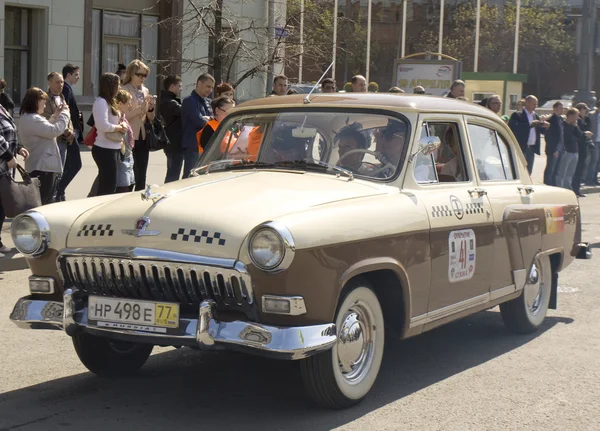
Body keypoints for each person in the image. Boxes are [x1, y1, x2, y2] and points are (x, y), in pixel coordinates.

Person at [18, 87, 70, 204]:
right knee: (43, 202)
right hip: (43, 168)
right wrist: (65, 114)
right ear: (36, 102)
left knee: (42, 201)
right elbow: (54, 131)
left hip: (40, 166)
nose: (45, 106)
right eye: (44, 102)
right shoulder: (33, 119)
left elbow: (45, 131)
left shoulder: (28, 118)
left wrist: (56, 115)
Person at [91, 73, 128, 196]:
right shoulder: (101, 102)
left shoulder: (110, 102)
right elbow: (103, 125)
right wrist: (119, 127)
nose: (120, 88)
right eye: (118, 85)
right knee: (107, 188)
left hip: (113, 148)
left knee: (109, 185)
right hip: (104, 149)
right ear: (110, 86)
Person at [122, 59, 156, 191]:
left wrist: (151, 108)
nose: (142, 78)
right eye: (139, 75)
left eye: (145, 75)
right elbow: (123, 115)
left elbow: (150, 117)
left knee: (142, 173)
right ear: (131, 73)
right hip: (129, 135)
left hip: (143, 134)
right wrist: (140, 109)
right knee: (129, 173)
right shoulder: (124, 90)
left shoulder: (145, 90)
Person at [0, 102, 29, 257]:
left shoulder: (2, 108)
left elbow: (8, 132)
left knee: (2, 205)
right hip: (3, 162)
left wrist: (18, 148)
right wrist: (8, 155)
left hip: (5, 165)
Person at [56, 63, 83, 201]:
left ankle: (59, 192)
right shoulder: (66, 88)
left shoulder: (68, 88)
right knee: (76, 164)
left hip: (71, 132)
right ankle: (58, 190)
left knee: (68, 164)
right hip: (69, 134)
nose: (78, 77)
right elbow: (65, 111)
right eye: (76, 74)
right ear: (69, 75)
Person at [181, 73, 215, 178]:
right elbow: (199, 121)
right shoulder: (189, 101)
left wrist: (208, 119)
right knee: (190, 176)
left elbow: (213, 121)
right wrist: (209, 120)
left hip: (206, 145)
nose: (210, 90)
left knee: (203, 177)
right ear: (199, 83)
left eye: (212, 87)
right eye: (208, 86)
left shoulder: (208, 102)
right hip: (193, 146)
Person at [43, 72, 75, 175]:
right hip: (53, 141)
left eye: (62, 82)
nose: (60, 84)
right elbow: (48, 118)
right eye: (57, 82)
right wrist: (66, 131)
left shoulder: (62, 98)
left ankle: (59, 191)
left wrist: (70, 131)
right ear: (49, 83)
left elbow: (67, 117)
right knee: (53, 173)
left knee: (60, 173)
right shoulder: (45, 99)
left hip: (63, 141)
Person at [508, 95, 549, 175]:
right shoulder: (517, 115)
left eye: (536, 104)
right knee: (519, 171)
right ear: (526, 103)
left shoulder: (535, 115)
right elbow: (515, 127)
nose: (535, 106)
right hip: (521, 147)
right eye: (533, 104)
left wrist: (545, 126)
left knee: (528, 172)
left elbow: (539, 131)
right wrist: (530, 125)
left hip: (531, 148)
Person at [555, 108, 590, 190]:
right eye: (576, 116)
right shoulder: (563, 125)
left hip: (575, 151)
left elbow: (580, 136)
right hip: (566, 152)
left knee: (570, 174)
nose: (577, 118)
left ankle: (568, 190)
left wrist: (576, 127)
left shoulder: (574, 125)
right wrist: (575, 138)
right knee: (562, 173)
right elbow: (568, 138)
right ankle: (560, 189)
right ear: (570, 115)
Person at [161, 75, 184, 183]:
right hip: (174, 142)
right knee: (173, 173)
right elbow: (183, 112)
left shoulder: (171, 100)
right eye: (179, 86)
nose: (181, 89)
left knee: (174, 172)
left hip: (174, 142)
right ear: (171, 86)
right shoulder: (169, 102)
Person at [114, 89, 136, 193]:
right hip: (121, 157)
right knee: (122, 188)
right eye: (128, 103)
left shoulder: (123, 117)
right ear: (120, 104)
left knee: (130, 185)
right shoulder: (116, 117)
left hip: (128, 155)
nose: (130, 106)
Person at [572, 103, 592, 197]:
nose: (586, 111)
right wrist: (585, 133)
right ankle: (574, 189)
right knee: (576, 169)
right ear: (579, 110)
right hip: (578, 147)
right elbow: (578, 133)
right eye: (584, 109)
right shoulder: (577, 120)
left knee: (581, 168)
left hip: (584, 147)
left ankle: (577, 188)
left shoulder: (586, 119)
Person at [544, 101, 564, 186]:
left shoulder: (561, 119)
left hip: (560, 148)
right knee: (550, 169)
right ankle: (547, 184)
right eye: (560, 108)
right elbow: (549, 137)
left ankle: (554, 185)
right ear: (555, 109)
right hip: (553, 149)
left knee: (557, 170)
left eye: (562, 108)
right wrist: (554, 149)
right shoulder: (550, 120)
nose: (562, 110)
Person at [587, 99, 600, 185]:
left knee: (598, 161)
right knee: (594, 160)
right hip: (594, 140)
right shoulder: (591, 115)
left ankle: (595, 178)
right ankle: (589, 179)